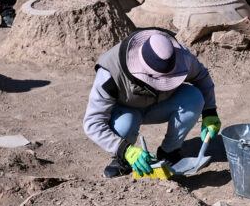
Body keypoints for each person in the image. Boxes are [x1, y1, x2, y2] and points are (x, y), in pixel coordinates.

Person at [83, 28, 222, 179]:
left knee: (194, 98)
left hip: (161, 104)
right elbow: (92, 122)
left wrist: (210, 111)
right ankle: (123, 159)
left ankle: (169, 151)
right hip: (126, 110)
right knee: (125, 125)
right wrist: (124, 149)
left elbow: (202, 76)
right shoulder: (110, 72)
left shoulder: (180, 56)